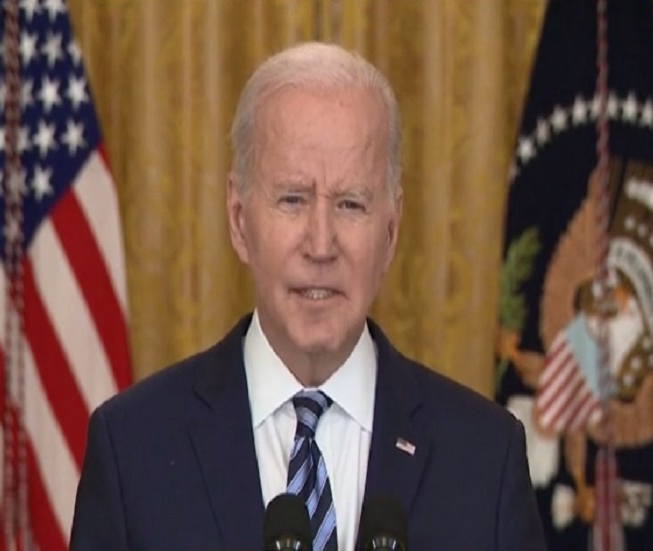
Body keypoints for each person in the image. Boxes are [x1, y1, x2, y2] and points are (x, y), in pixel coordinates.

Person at [70, 41, 546, 551]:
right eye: (293, 200)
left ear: (390, 232)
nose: (321, 245)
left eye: (351, 204)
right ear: (239, 220)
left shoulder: (484, 459)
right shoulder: (133, 451)